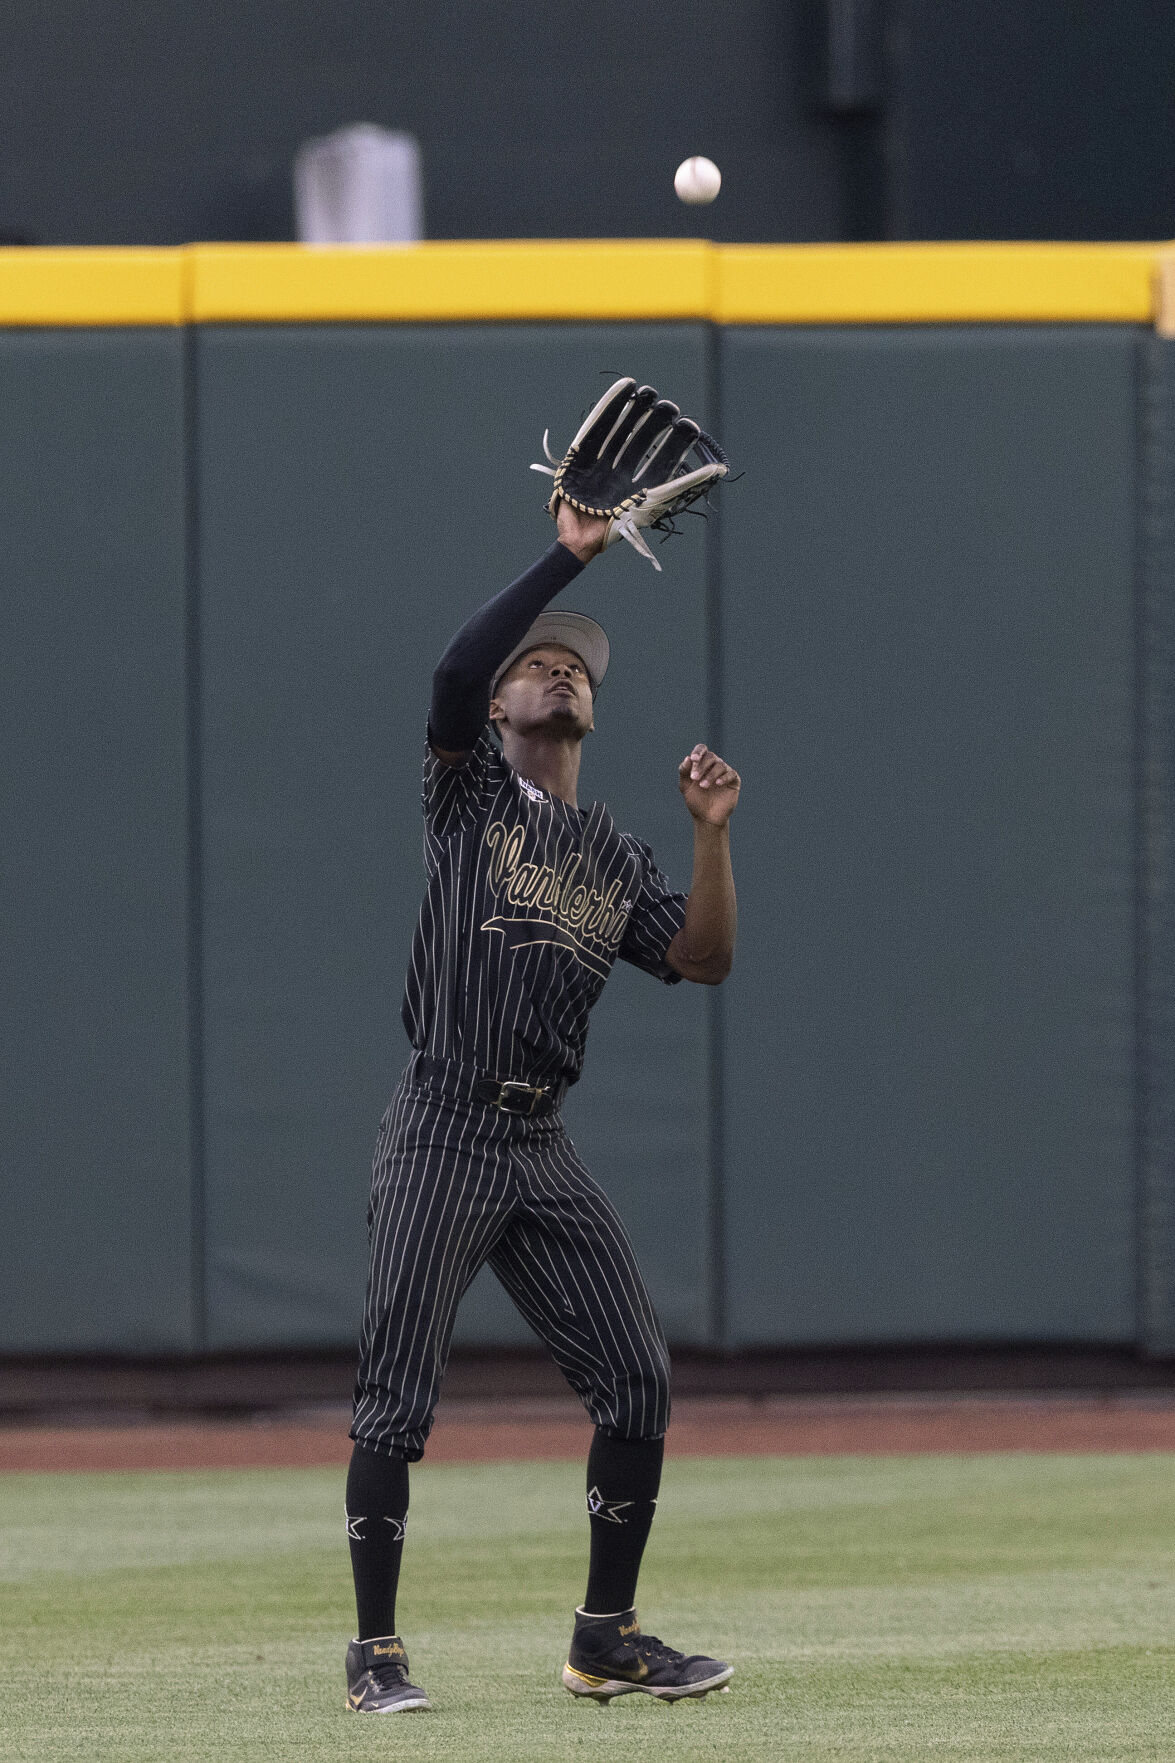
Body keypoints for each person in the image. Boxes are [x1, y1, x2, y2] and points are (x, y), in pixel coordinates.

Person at [344, 499, 740, 1713]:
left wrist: (709, 836)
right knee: (397, 1392)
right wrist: (567, 554)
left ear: (586, 714)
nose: (554, 670)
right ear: (503, 709)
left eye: (573, 667)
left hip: (537, 1140)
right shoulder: (464, 799)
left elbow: (701, 958)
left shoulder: (612, 852)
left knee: (636, 1376)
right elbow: (455, 665)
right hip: (444, 1116)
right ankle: (374, 1652)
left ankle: (603, 1636)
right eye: (537, 665)